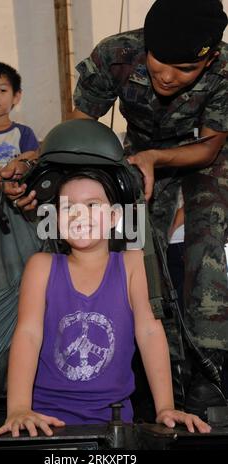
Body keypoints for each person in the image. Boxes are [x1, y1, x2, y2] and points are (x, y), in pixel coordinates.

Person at [0, 121, 211, 436]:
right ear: (54, 218)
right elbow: (27, 335)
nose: (79, 215)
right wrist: (18, 409)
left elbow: (149, 332)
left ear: (114, 217)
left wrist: (165, 406)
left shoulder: (132, 264)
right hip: (45, 422)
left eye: (92, 205)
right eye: (68, 208)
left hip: (114, 424)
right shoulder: (41, 266)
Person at [68, 0, 228, 390]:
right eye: (161, 63)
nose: (170, 77)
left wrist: (159, 157)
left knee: (208, 245)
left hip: (201, 155)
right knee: (138, 251)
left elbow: (208, 148)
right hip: (136, 155)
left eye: (186, 69)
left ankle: (212, 376)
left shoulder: (225, 71)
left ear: (208, 62)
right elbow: (80, 123)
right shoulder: (116, 54)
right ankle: (162, 373)